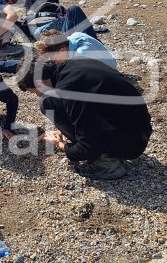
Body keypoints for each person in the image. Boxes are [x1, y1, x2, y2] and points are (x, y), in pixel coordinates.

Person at [17, 58, 152, 180]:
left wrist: (61, 144)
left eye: (34, 91)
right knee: (50, 101)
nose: (36, 95)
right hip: (139, 128)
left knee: (46, 102)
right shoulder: (72, 65)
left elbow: (89, 146)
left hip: (131, 144)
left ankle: (106, 164)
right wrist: (65, 130)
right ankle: (107, 153)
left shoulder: (69, 90)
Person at [0, 28, 117, 73]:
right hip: (104, 64)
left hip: (108, 73)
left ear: (62, 50)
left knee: (38, 67)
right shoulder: (74, 37)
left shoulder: (80, 55)